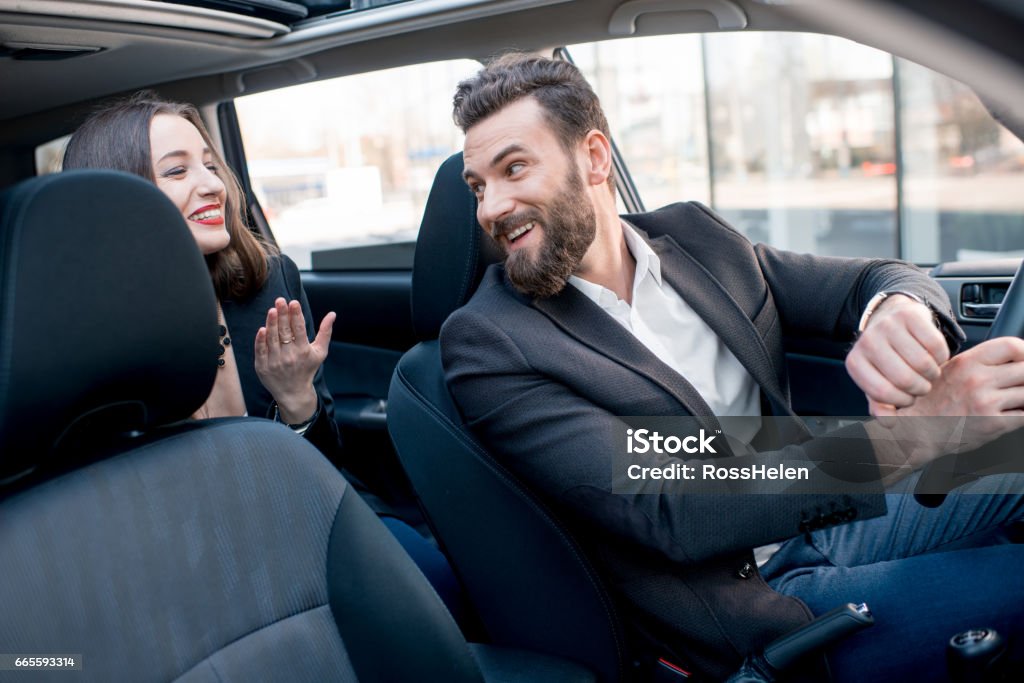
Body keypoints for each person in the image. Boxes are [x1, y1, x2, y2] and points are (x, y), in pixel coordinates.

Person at [440, 53, 1024, 681]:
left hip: (829, 515)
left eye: (515, 168)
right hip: (761, 601)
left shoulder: (695, 236)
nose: (491, 207)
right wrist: (913, 436)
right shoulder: (490, 342)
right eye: (479, 186)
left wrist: (897, 309)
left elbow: (870, 279)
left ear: (594, 158)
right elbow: (673, 506)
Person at [62, 93, 466, 622]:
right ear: (120, 198)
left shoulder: (269, 282)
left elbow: (324, 462)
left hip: (307, 507)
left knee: (439, 591)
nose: (211, 184)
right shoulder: (88, 341)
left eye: (210, 165)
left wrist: (296, 399)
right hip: (200, 556)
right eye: (177, 170)